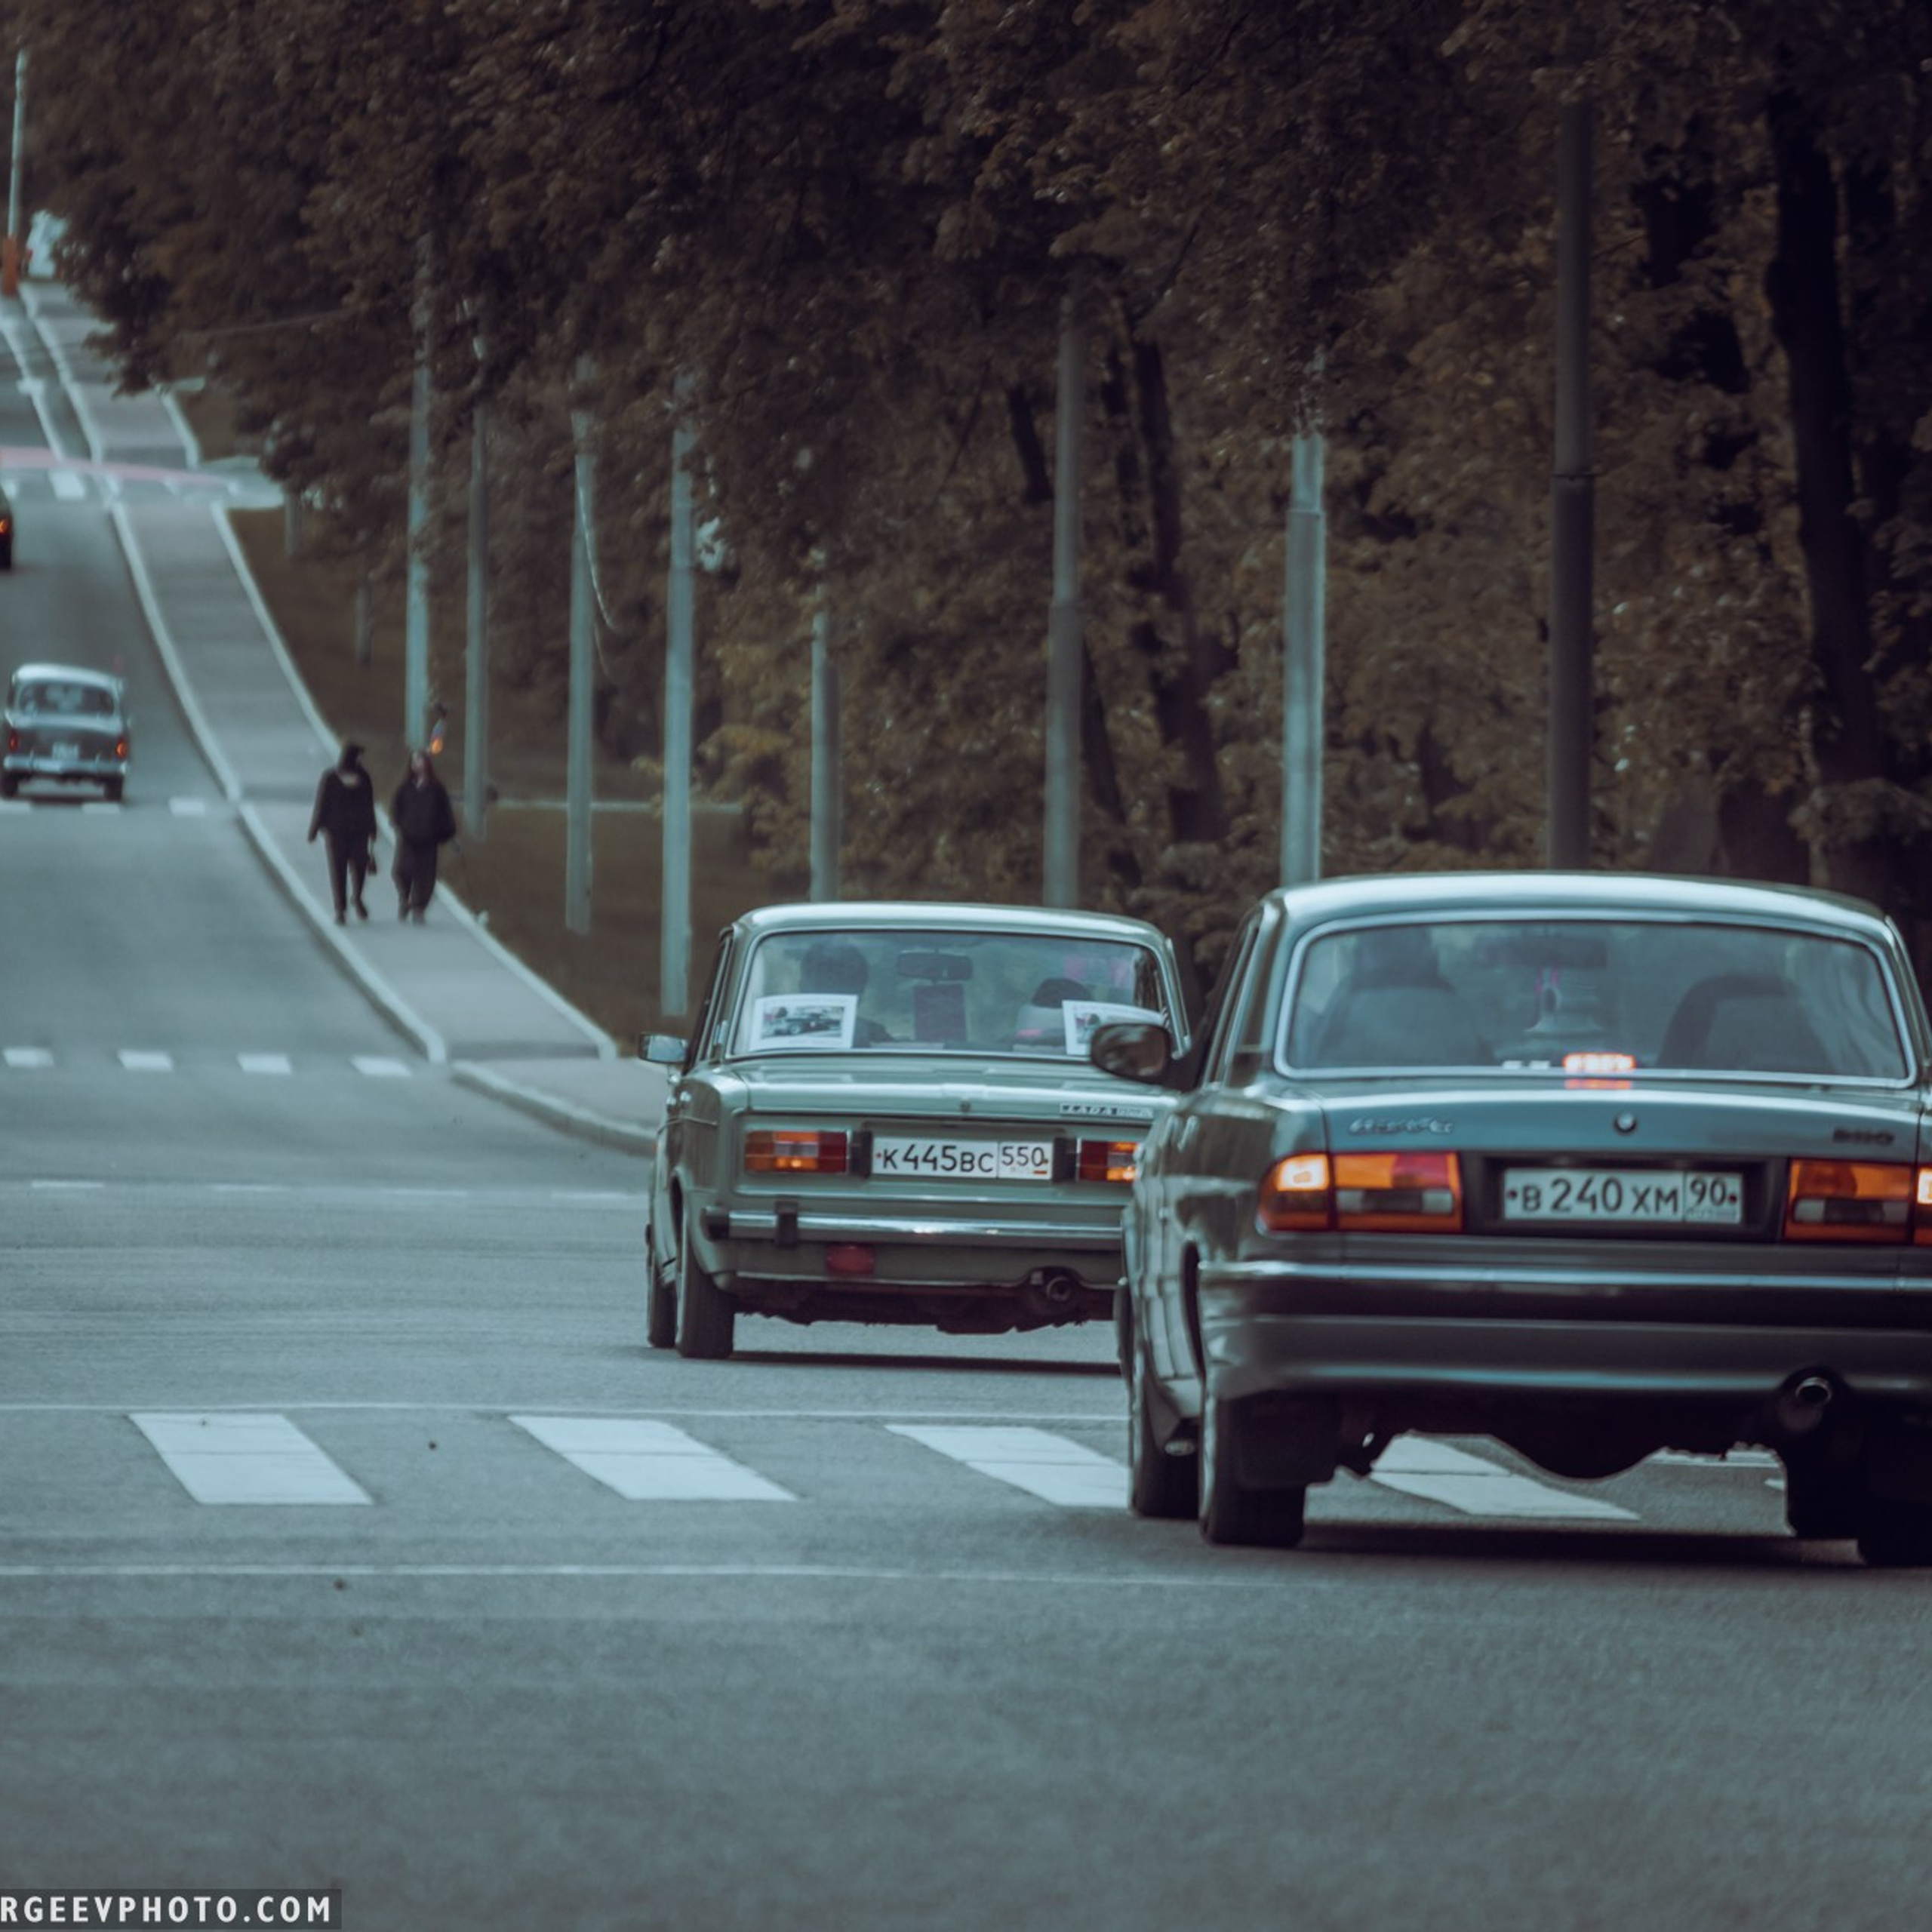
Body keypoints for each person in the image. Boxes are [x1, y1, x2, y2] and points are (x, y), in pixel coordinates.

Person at [306, 740, 379, 924]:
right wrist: (314, 829)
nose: (361, 760)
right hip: (335, 833)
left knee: (360, 867)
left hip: (360, 832)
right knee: (338, 871)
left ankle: (357, 896)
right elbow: (321, 804)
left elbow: (369, 805)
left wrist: (373, 829)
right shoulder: (330, 778)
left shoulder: (364, 778)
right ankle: (340, 909)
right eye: (359, 756)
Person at [390, 749, 459, 924]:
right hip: (408, 838)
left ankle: (419, 908)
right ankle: (404, 899)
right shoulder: (405, 787)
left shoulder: (437, 789)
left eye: (420, 761)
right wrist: (399, 824)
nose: (417, 764)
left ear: (427, 764)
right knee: (401, 870)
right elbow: (396, 808)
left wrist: (449, 834)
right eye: (414, 761)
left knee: (425, 876)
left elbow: (445, 813)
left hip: (429, 839)